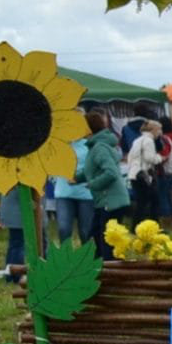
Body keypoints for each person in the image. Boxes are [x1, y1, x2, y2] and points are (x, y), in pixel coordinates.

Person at [77, 109, 129, 259]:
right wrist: (76, 178)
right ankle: (97, 273)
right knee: (94, 239)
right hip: (104, 201)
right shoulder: (95, 146)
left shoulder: (99, 148)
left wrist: (93, 184)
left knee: (106, 243)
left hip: (111, 201)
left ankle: (110, 274)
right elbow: (92, 169)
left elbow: (111, 173)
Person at [124, 119, 164, 223]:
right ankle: (154, 226)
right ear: (153, 130)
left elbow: (130, 157)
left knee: (142, 203)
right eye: (159, 130)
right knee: (154, 202)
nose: (160, 133)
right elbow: (149, 158)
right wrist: (159, 158)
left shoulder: (138, 140)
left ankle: (137, 226)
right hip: (144, 174)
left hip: (135, 174)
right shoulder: (149, 141)